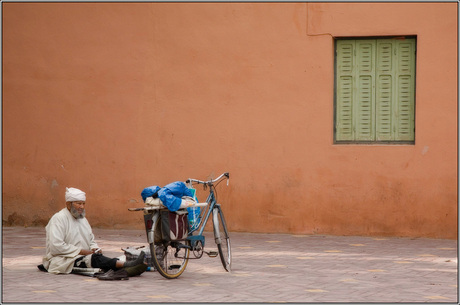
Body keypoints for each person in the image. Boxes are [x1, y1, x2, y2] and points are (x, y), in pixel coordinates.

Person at [39, 187, 146, 280]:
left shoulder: (83, 219)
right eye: (78, 203)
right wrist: (82, 252)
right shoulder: (58, 219)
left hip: (86, 256)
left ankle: (127, 267)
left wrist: (95, 248)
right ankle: (128, 266)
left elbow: (91, 240)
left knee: (102, 258)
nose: (82, 207)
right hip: (65, 260)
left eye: (83, 203)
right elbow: (56, 246)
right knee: (95, 259)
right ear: (68, 204)